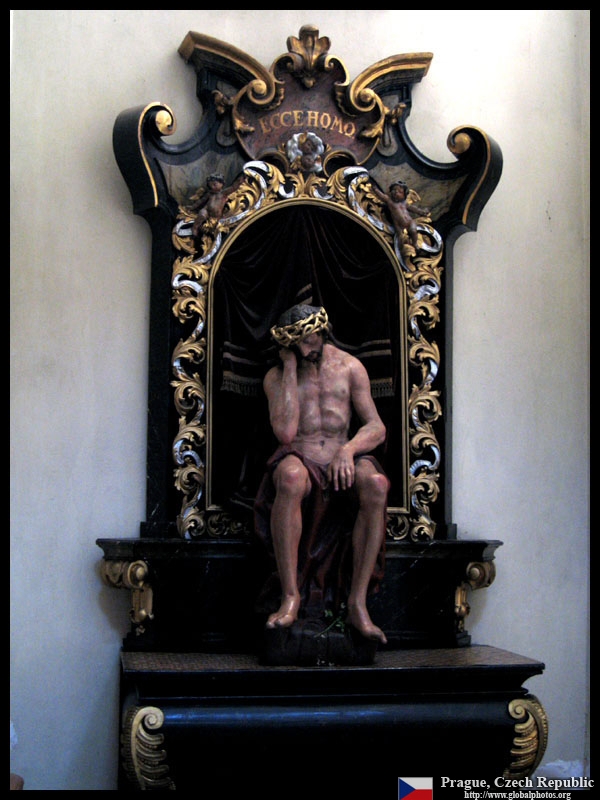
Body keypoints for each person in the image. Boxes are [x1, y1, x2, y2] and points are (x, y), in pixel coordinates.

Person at [254, 303, 389, 644]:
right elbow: (285, 433)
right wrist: (288, 368)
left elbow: (376, 427)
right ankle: (291, 596)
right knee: (289, 476)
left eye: (307, 340)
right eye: (295, 345)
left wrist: (349, 450)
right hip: (301, 456)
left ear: (322, 331)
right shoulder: (277, 376)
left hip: (344, 455)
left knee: (376, 483)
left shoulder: (350, 367)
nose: (304, 351)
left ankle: (358, 603)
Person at [372, 179, 430, 250]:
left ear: (404, 194)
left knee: (413, 231)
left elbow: (413, 209)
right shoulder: (390, 201)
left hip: (410, 221)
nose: (396, 192)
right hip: (399, 224)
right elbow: (382, 196)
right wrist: (375, 189)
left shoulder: (404, 203)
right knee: (400, 237)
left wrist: (421, 212)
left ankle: (415, 243)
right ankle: (401, 248)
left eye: (400, 192)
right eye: (394, 190)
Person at [189, 172, 244, 237]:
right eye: (210, 185)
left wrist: (239, 181)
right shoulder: (209, 194)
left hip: (217, 216)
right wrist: (192, 207)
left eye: (215, 184)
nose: (212, 186)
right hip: (206, 210)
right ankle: (195, 227)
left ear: (221, 184)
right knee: (202, 214)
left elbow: (233, 188)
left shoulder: (223, 193)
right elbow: (200, 201)